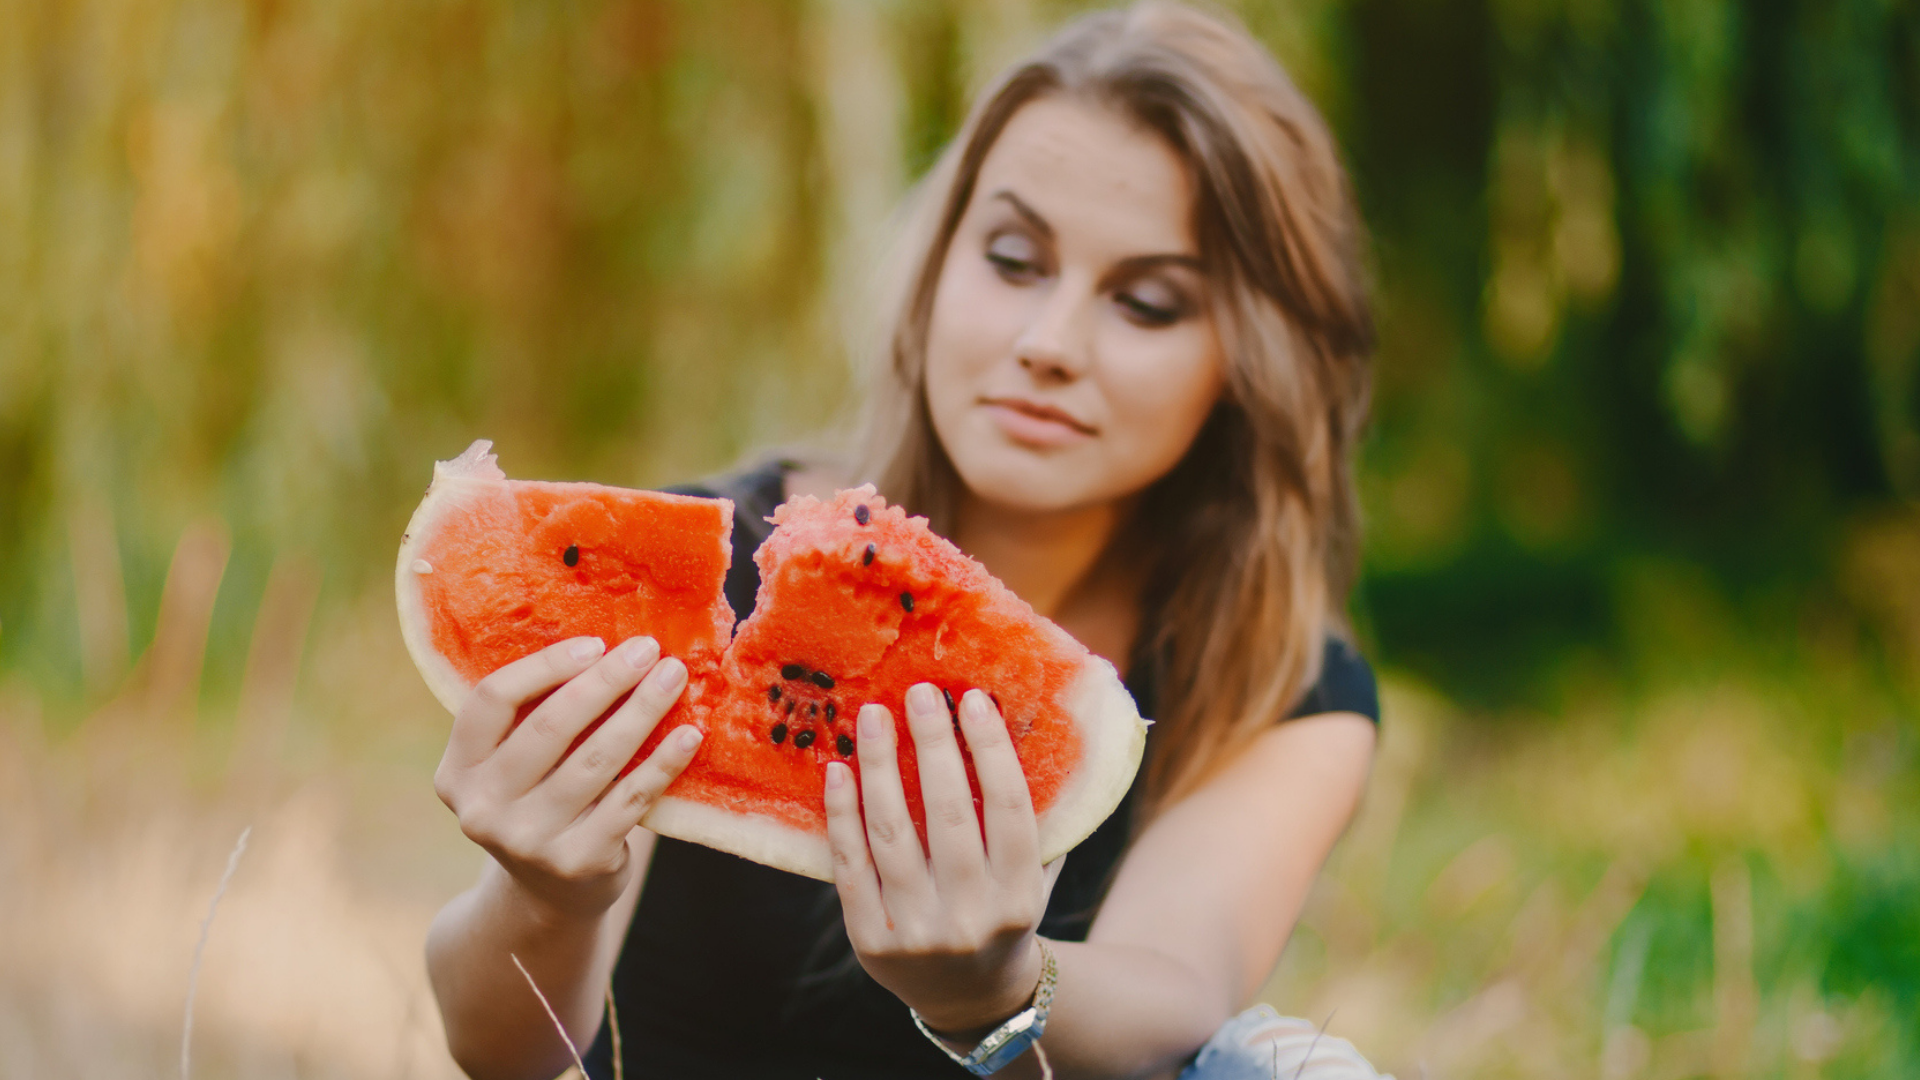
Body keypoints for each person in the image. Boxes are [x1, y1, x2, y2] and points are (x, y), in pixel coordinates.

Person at [424, 4, 1392, 1078]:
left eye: (1148, 303)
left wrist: (998, 993)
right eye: (1015, 259)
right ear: (939, 264)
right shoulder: (713, 574)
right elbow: (499, 1055)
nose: (1048, 344)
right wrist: (544, 890)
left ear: (1251, 360)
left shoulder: (1288, 689)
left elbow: (1174, 993)